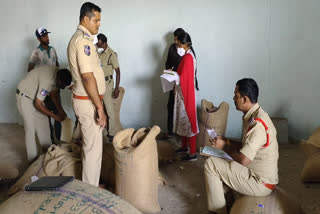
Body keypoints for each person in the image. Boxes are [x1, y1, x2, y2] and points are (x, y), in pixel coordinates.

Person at [204, 78, 279, 214]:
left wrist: (223, 147)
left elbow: (244, 159)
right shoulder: (253, 115)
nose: (233, 98)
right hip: (254, 172)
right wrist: (226, 141)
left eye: (236, 95)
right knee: (221, 159)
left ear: (244, 99)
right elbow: (246, 146)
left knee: (211, 164)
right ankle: (228, 200)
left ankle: (218, 211)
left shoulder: (258, 124)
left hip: (260, 182)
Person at [67, 2, 106, 187]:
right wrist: (100, 107)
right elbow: (88, 78)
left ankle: (89, 184)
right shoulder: (83, 41)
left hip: (88, 100)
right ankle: (91, 191)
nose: (99, 24)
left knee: (90, 147)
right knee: (93, 150)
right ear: (85, 19)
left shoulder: (81, 39)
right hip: (88, 102)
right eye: (96, 20)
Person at [16, 65, 71, 162]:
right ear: (58, 80)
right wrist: (55, 116)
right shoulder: (48, 81)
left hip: (36, 98)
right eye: (61, 85)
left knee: (44, 127)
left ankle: (47, 154)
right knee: (30, 129)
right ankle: (32, 160)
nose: (62, 88)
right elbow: (38, 104)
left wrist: (61, 111)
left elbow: (54, 94)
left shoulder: (58, 75)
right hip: (25, 97)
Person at [28, 27, 61, 142]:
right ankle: (50, 141)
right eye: (44, 36)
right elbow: (30, 70)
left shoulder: (53, 50)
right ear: (38, 38)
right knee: (46, 116)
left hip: (55, 88)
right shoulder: (36, 52)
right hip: (43, 89)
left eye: (47, 35)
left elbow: (57, 65)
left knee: (58, 112)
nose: (47, 38)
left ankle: (59, 139)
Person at [173, 31, 199, 161]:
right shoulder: (188, 55)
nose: (178, 47)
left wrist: (175, 78)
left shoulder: (188, 57)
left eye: (179, 45)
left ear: (186, 44)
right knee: (183, 121)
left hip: (186, 94)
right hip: (183, 92)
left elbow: (185, 78)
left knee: (188, 121)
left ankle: (192, 152)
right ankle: (184, 146)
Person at [96, 33, 121, 139]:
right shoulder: (100, 54)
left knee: (109, 110)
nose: (97, 43)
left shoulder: (111, 54)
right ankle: (104, 132)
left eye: (99, 42)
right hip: (99, 84)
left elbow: (118, 72)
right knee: (100, 108)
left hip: (108, 84)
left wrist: (116, 89)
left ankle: (112, 133)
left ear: (104, 42)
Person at [165, 28, 185, 137]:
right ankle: (170, 131)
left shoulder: (188, 50)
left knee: (181, 109)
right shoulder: (172, 48)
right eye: (175, 39)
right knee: (171, 105)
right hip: (173, 82)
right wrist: (169, 71)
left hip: (183, 83)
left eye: (178, 40)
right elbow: (167, 64)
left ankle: (181, 134)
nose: (176, 42)